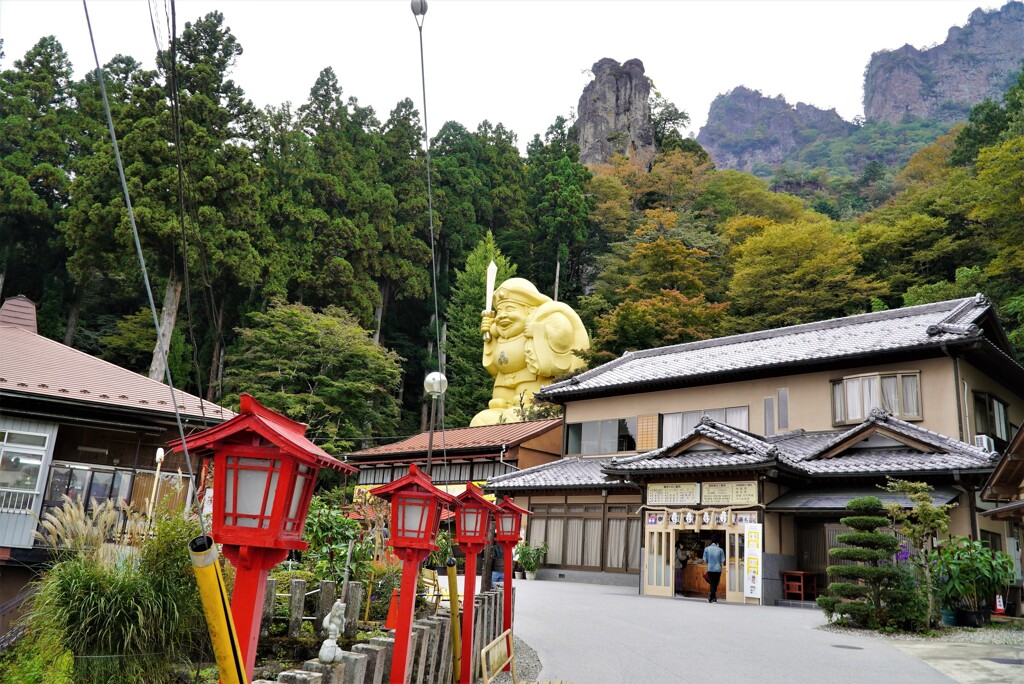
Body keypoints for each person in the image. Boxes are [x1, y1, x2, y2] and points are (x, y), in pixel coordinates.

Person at [472, 278, 589, 426]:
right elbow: (493, 367)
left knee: (517, 416)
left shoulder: (545, 321)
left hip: (530, 384)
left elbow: (561, 339)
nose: (502, 315)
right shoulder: (499, 335)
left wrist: (539, 332)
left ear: (531, 311)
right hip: (503, 386)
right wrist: (488, 337)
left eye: (510, 309)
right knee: (481, 419)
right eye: (500, 311)